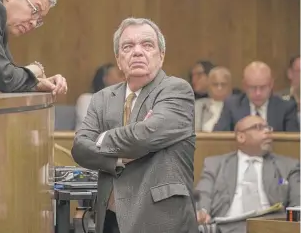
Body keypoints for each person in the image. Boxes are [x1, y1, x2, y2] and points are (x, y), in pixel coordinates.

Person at [71, 17, 198, 233]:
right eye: (128, 47)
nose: (137, 52)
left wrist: (101, 138)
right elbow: (80, 148)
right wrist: (119, 158)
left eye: (147, 45)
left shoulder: (176, 90)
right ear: (119, 59)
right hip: (110, 217)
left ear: (162, 55)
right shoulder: (102, 98)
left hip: (161, 219)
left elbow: (146, 135)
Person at [196, 115, 300, 233]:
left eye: (268, 128)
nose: (267, 132)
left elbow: (297, 201)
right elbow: (203, 193)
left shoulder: (288, 166)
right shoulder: (215, 164)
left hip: (268, 228)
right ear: (241, 137)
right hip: (225, 227)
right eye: (258, 127)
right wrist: (202, 211)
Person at [213, 61, 299, 132]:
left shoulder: (286, 108)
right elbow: (218, 137)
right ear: (244, 85)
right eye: (253, 87)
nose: (258, 93)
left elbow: (293, 143)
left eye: (263, 87)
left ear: (271, 84)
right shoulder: (232, 105)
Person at [75, 63, 124, 129]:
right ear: (105, 79)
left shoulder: (123, 102)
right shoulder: (86, 99)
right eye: (120, 75)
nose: (125, 78)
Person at [195, 67, 233, 132]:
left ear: (230, 86)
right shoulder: (199, 105)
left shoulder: (238, 106)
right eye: (215, 84)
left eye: (223, 84)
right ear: (209, 86)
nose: (219, 88)